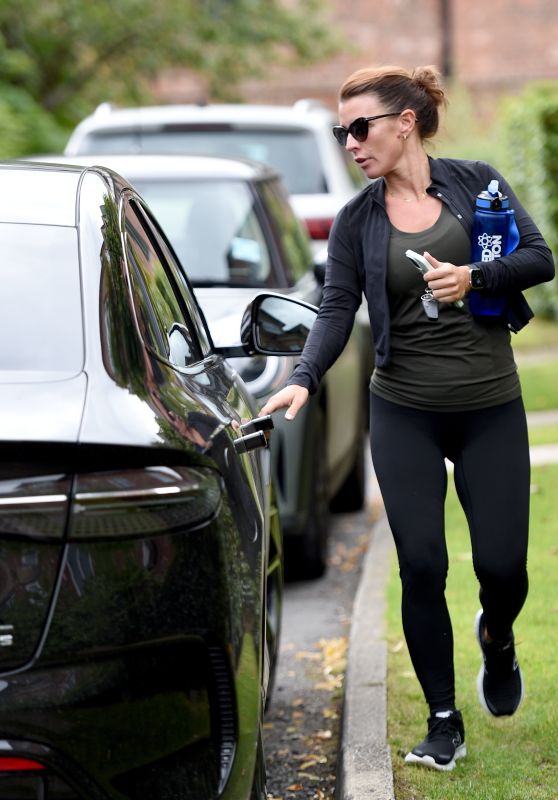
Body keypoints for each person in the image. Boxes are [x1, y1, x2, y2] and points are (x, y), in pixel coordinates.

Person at [259, 64, 555, 771]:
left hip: (490, 405)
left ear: (405, 122)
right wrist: (303, 375)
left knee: (503, 567)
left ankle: (499, 638)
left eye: (360, 127)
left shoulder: (477, 183)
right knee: (422, 564)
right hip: (404, 410)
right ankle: (443, 721)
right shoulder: (359, 219)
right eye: (342, 131)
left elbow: (539, 258)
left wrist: (475, 278)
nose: (351, 142)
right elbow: (336, 307)